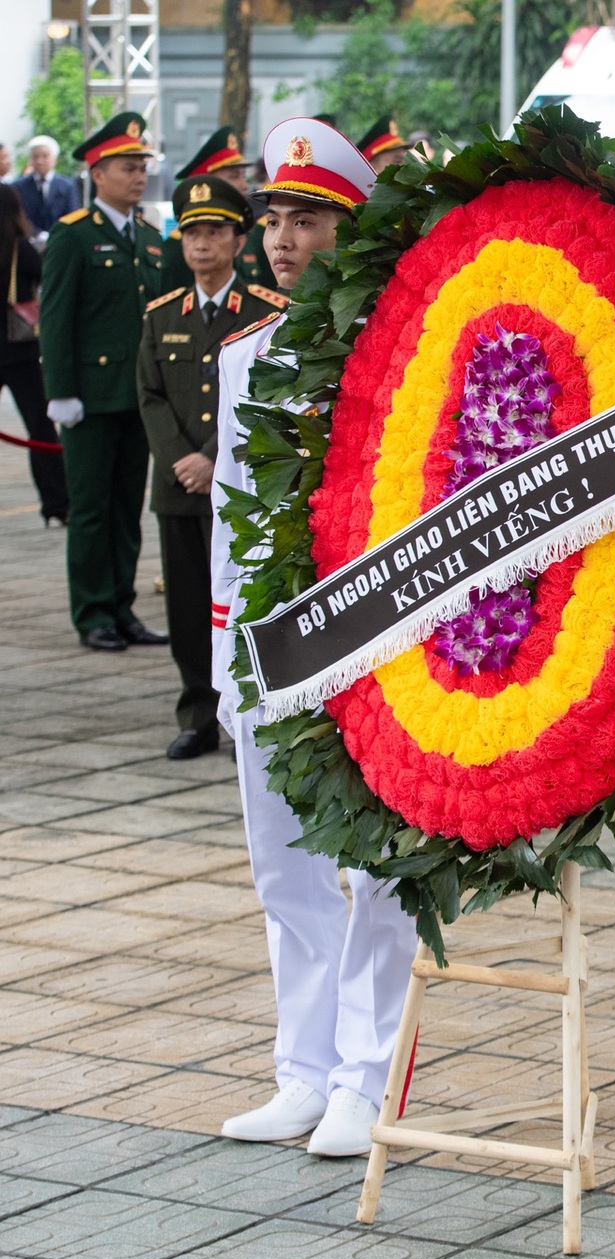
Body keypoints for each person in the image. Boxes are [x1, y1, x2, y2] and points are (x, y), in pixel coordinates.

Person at [211, 117, 415, 1159]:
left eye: (308, 219)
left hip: (368, 641)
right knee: (283, 866)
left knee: (374, 867)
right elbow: (232, 521)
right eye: (275, 219)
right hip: (265, 646)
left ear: (351, 225)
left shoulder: (397, 344)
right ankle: (305, 1066)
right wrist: (222, 656)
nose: (284, 239)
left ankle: (368, 1078)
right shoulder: (246, 352)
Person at [137, 178, 286, 761]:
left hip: (235, 483)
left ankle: (242, 708)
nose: (202, 244)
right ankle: (198, 711)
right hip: (177, 484)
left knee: (243, 595)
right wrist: (182, 457)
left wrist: (210, 456)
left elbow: (251, 402)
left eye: (215, 232)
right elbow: (149, 395)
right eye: (192, 233)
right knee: (186, 603)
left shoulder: (264, 311)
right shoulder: (159, 315)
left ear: (238, 240)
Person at [39, 112, 170, 654]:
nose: (138, 176)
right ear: (97, 173)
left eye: (142, 167)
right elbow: (57, 318)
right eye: (126, 167)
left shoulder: (146, 235)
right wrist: (61, 391)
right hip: (90, 398)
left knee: (125, 508)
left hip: (136, 394)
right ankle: (92, 611)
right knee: (91, 510)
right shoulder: (75, 237)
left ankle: (122, 605)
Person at [0, 183, 66, 525]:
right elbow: (46, 283)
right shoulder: (20, 248)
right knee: (40, 430)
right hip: (20, 350)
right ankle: (56, 504)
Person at [160, 127, 268, 292]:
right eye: (234, 176)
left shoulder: (245, 236)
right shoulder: (175, 249)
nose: (244, 185)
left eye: (243, 175)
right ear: (206, 187)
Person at [13, 136, 80, 241]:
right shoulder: (18, 186)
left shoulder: (67, 186)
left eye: (45, 156)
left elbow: (73, 214)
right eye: (35, 157)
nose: (40, 161)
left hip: (60, 242)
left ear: (54, 159)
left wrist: (53, 236)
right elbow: (19, 216)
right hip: (29, 243)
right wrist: (37, 235)